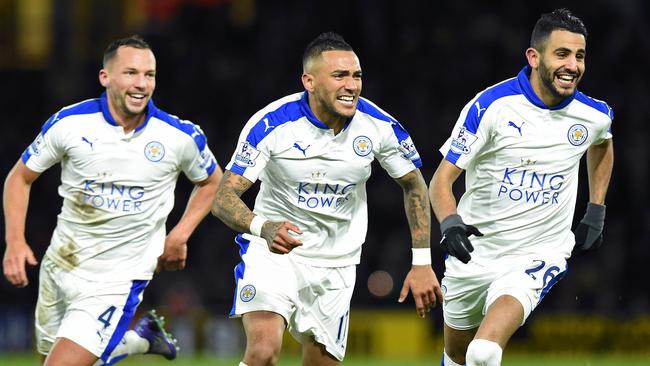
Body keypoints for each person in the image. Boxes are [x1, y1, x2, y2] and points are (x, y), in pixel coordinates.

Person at [211, 32, 442, 366]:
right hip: (274, 253)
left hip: (337, 263)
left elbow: (414, 184)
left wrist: (422, 261)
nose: (351, 85)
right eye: (339, 76)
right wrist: (263, 227)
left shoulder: (378, 125)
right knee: (262, 352)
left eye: (356, 75)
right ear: (309, 81)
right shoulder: (272, 124)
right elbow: (224, 197)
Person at [2, 35, 222, 366]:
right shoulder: (70, 123)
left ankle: (136, 338)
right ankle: (140, 340)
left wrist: (180, 233)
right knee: (49, 357)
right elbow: (19, 177)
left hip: (119, 278)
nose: (142, 84)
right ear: (105, 77)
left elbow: (212, 181)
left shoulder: (179, 136)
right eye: (131, 73)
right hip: (62, 263)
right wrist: (15, 241)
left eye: (149, 75)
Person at [429, 9, 614, 366]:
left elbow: (602, 143)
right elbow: (442, 179)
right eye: (562, 54)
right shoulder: (491, 107)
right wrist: (450, 221)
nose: (573, 65)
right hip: (475, 252)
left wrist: (597, 208)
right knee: (458, 355)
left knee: (483, 353)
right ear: (534, 57)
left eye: (580, 56)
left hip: (538, 253)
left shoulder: (593, 115)